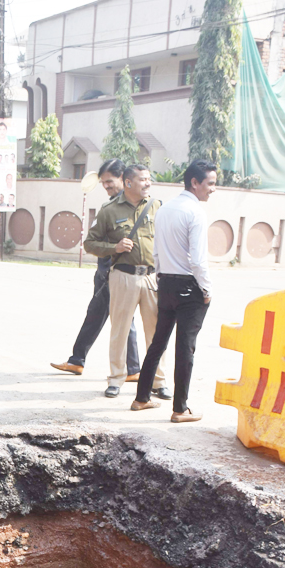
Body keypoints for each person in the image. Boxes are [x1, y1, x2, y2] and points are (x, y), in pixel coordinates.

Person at [131, 160, 216, 423]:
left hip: (165, 282)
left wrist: (162, 276)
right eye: (210, 183)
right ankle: (180, 409)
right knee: (185, 348)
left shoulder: (165, 208)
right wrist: (207, 289)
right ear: (195, 182)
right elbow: (198, 260)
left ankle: (141, 398)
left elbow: (157, 251)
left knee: (158, 342)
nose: (212, 189)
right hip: (189, 287)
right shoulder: (196, 213)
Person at [83, 164, 170, 400]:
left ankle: (158, 380)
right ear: (129, 183)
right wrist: (115, 247)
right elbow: (89, 243)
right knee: (120, 330)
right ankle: (116, 379)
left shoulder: (157, 207)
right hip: (123, 276)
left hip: (152, 277)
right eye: (143, 179)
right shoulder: (109, 210)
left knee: (156, 333)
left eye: (149, 179)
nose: (148, 184)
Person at [50, 159, 140, 381]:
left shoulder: (128, 207)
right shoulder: (111, 205)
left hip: (116, 272)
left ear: (123, 179)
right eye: (103, 183)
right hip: (105, 271)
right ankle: (79, 361)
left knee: (122, 318)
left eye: (110, 182)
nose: (106, 186)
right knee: (98, 314)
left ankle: (132, 368)